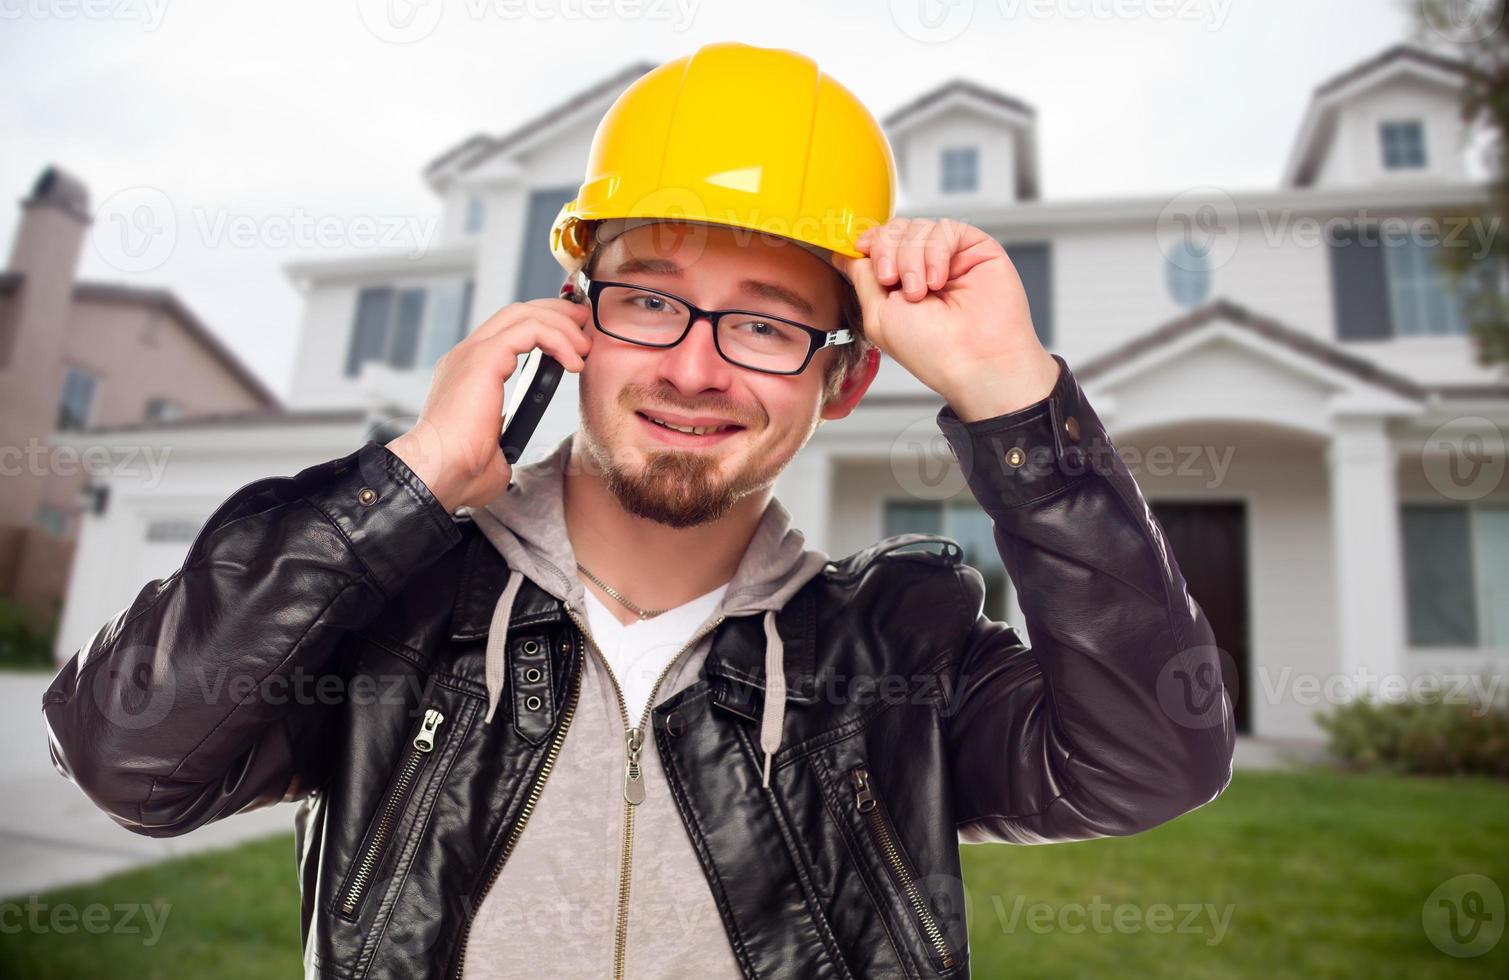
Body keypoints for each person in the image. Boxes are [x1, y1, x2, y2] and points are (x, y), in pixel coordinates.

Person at [41, 42, 1235, 979]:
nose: (695, 369)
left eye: (765, 323)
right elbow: (126, 753)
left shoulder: (894, 661)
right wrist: (403, 485)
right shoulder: (396, 616)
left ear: (845, 376)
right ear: (575, 321)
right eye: (648, 303)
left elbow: (1149, 760)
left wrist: (1015, 401)